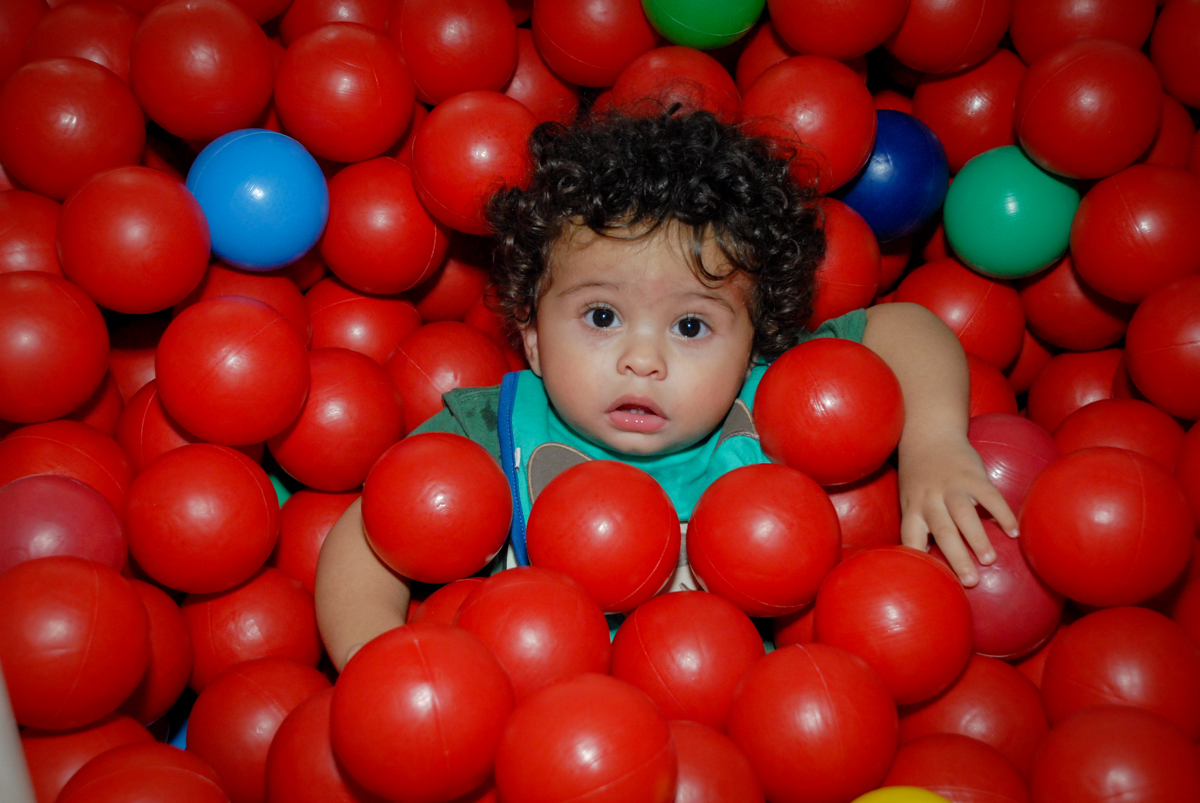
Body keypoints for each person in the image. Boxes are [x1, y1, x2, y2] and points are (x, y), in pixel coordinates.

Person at [315, 109, 1017, 671]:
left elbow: (905, 326)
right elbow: (371, 535)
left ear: (753, 346)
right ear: (532, 336)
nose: (643, 359)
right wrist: (386, 665)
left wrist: (933, 444)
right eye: (601, 317)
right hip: (549, 734)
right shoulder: (492, 433)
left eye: (690, 325)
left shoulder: (774, 400)